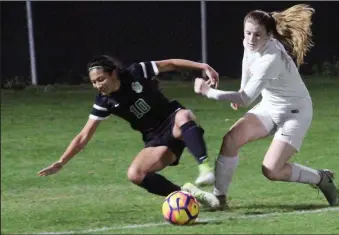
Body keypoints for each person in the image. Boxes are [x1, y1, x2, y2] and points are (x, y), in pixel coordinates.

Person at [192, 4, 339, 209]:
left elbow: (246, 99)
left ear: (269, 35)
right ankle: (219, 198)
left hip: (295, 113)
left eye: (257, 35)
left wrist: (208, 92)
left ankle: (321, 178)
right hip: (270, 106)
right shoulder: (250, 43)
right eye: (248, 33)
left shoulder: (271, 59)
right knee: (231, 139)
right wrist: (243, 86)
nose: (251, 39)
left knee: (271, 170)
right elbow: (247, 61)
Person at [37, 55, 220, 207]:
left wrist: (203, 66)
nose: (98, 85)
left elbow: (170, 64)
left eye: (101, 79)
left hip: (172, 119)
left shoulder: (136, 72)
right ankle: (188, 196)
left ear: (113, 73)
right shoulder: (104, 101)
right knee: (135, 174)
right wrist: (61, 162)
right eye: (94, 82)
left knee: (184, 116)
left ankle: (205, 169)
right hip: (155, 138)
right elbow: (84, 136)